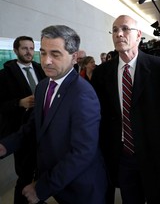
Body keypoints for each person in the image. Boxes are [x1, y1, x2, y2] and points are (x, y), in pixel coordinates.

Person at [92, 14, 160, 204]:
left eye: (124, 29)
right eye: (115, 30)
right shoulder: (102, 73)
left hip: (156, 155)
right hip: (122, 156)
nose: (119, 34)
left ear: (138, 35)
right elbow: (98, 118)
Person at [0, 25, 107, 204]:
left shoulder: (83, 94)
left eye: (55, 54)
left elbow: (83, 152)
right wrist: (5, 145)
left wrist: (42, 188)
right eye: (42, 53)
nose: (46, 61)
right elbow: (34, 125)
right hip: (53, 178)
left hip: (80, 188)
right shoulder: (43, 86)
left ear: (74, 58)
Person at [0, 36, 46, 204]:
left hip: (42, 128)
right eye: (24, 48)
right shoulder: (4, 75)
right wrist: (19, 103)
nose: (29, 52)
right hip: (21, 131)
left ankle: (36, 199)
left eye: (31, 48)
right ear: (15, 51)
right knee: (25, 174)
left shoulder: (41, 69)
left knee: (40, 171)